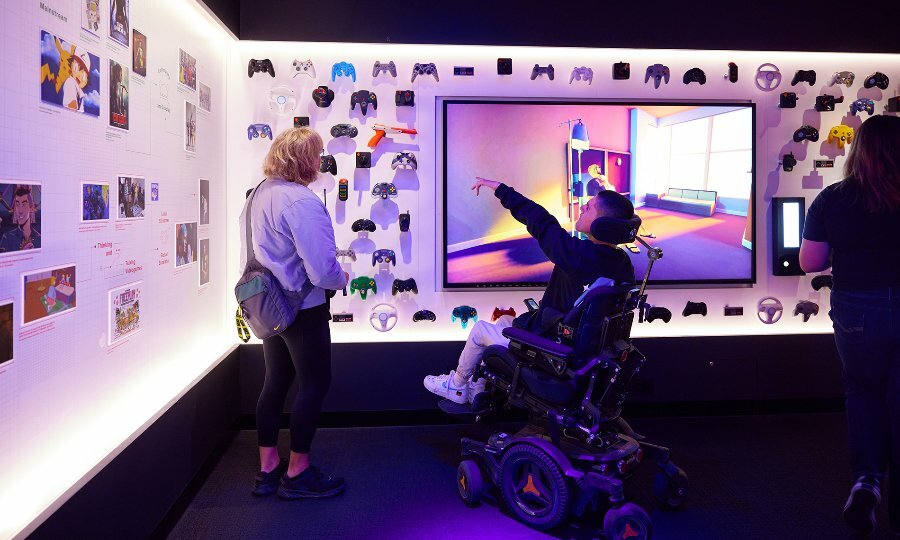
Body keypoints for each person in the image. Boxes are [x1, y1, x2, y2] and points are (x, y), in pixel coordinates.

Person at [424, 177, 636, 404]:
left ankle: (456, 386)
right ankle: (478, 386)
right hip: (582, 348)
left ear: (603, 225)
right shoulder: (622, 263)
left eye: (590, 206)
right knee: (505, 320)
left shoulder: (579, 255)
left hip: (554, 353)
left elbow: (542, 222)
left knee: (479, 331)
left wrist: (501, 190)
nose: (583, 206)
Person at [800, 114, 900, 536]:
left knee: (862, 391)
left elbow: (810, 262)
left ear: (857, 151)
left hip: (857, 309)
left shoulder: (833, 199)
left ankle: (867, 482)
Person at [239, 127, 349, 499]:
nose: (321, 162)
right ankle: (298, 473)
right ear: (304, 160)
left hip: (268, 306)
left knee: (276, 382)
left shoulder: (259, 193)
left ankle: (267, 468)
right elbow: (322, 269)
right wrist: (343, 276)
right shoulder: (300, 201)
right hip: (303, 308)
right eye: (317, 155)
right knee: (315, 383)